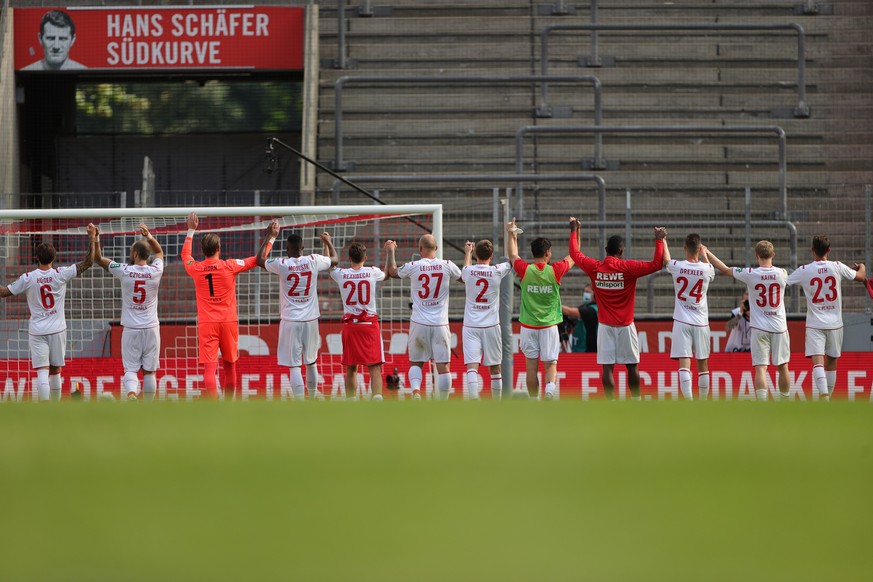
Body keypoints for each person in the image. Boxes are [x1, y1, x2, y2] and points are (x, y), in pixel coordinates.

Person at [568, 218, 666, 401]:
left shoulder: (595, 268)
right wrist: (659, 239)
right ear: (621, 251)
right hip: (626, 326)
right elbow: (656, 264)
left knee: (607, 367)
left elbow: (574, 254)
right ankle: (636, 402)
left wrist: (574, 229)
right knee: (632, 366)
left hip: (605, 326)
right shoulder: (629, 268)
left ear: (606, 251)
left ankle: (611, 403)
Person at [181, 212, 274, 400]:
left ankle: (214, 406)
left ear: (203, 250)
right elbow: (258, 259)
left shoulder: (196, 268)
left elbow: (185, 255)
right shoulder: (229, 266)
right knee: (230, 365)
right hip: (228, 322)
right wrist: (271, 237)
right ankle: (228, 406)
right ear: (218, 248)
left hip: (207, 323)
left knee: (209, 368)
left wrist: (191, 230)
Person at [0, 224, 98, 401]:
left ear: (36, 257)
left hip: (37, 331)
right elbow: (88, 263)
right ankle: (54, 408)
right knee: (55, 370)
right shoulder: (61, 274)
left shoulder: (28, 278)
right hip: (58, 329)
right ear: (54, 257)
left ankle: (45, 409)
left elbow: (4, 292)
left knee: (42, 371)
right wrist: (92, 237)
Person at [257, 227, 337, 400]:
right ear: (303, 248)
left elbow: (259, 260)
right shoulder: (313, 260)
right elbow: (334, 260)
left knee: (294, 366)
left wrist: (270, 236)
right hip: (311, 320)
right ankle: (313, 397)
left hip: (290, 320)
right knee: (311, 362)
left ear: (287, 249)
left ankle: (300, 405)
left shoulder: (281, 264)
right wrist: (328, 241)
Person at [705, 241, 791, 400]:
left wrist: (707, 252)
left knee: (761, 368)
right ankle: (785, 401)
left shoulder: (750, 273)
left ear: (757, 256)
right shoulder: (782, 273)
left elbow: (724, 269)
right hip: (779, 326)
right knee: (783, 366)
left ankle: (762, 403)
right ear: (773, 255)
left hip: (759, 328)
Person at [787, 235, 867, 400]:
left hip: (815, 323)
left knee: (817, 361)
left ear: (812, 251)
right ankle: (827, 396)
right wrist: (863, 266)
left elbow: (785, 282)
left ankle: (824, 396)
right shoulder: (836, 266)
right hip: (835, 324)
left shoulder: (804, 270)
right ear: (829, 250)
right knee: (831, 362)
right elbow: (860, 277)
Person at [384, 234, 462, 400]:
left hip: (419, 322)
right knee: (443, 365)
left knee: (416, 362)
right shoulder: (447, 265)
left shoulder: (413, 266)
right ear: (437, 248)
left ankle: (416, 393)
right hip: (440, 324)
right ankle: (443, 401)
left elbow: (392, 272)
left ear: (420, 249)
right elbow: (465, 278)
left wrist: (391, 251)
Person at [95, 223, 165, 401]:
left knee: (131, 369)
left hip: (132, 328)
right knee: (149, 372)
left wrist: (95, 238)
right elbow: (159, 253)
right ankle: (148, 407)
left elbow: (99, 259)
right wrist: (148, 235)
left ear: (134, 254)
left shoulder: (124, 270)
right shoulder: (156, 270)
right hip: (151, 328)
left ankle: (132, 394)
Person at [506, 219, 574, 399]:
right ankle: (550, 391)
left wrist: (511, 233)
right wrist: (575, 231)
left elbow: (512, 255)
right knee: (550, 364)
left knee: (531, 367)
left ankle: (535, 401)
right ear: (548, 253)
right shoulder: (555, 270)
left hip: (528, 327)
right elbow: (574, 255)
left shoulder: (525, 270)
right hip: (549, 326)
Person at [330, 241, 388, 401]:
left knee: (351, 368)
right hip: (369, 325)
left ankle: (351, 403)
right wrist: (390, 252)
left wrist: (328, 243)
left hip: (351, 326)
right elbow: (387, 274)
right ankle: (377, 402)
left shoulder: (341, 273)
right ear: (366, 257)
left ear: (349, 258)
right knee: (375, 367)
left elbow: (331, 264)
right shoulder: (373, 272)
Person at [665, 234, 716, 401]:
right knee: (702, 363)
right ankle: (702, 402)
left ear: (685, 247)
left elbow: (666, 260)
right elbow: (711, 268)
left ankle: (688, 401)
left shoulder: (677, 266)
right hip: (701, 321)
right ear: (699, 248)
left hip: (681, 320)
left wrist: (663, 240)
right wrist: (705, 254)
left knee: (684, 361)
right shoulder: (707, 269)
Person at [460, 239, 513, 400]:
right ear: (491, 256)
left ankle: (474, 400)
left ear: (476, 254)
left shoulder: (468, 272)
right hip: (491, 325)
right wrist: (512, 236)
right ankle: (496, 404)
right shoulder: (497, 270)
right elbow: (513, 261)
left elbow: (465, 268)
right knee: (495, 367)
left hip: (471, 325)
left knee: (472, 366)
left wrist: (468, 253)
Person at [21, 10, 86, 71]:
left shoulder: (83, 72)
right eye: (50, 38)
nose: (56, 46)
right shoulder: (27, 71)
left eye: (62, 39)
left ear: (73, 40)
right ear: (40, 38)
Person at [561, 282, 598, 353]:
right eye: (584, 291)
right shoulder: (585, 306)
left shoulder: (593, 309)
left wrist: (553, 305)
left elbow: (570, 311)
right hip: (581, 344)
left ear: (595, 294)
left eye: (587, 292)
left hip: (590, 347)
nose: (585, 294)